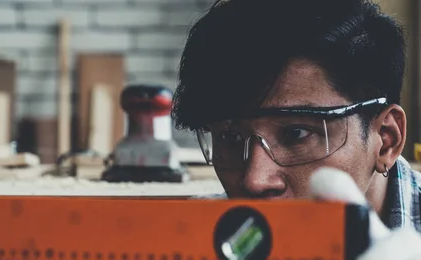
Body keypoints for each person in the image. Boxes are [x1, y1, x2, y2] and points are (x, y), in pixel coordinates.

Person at [172, 0, 421, 234]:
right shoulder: (196, 241)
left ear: (386, 140)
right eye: (230, 137)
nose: (254, 181)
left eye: (296, 134)